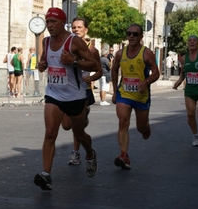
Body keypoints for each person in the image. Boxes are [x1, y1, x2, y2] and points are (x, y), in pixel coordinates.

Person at [34, 8, 98, 190]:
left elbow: (93, 64)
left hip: (75, 96)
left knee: (79, 134)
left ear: (63, 23)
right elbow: (43, 64)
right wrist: (41, 65)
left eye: (53, 22)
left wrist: (74, 62)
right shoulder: (46, 42)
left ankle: (90, 154)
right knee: (50, 133)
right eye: (47, 22)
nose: (49, 25)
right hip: (54, 93)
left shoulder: (74, 41)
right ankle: (46, 175)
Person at [111, 24, 160, 169]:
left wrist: (146, 82)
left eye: (134, 34)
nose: (131, 36)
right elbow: (114, 70)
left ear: (140, 37)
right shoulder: (120, 54)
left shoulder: (147, 53)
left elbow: (156, 73)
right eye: (129, 33)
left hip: (141, 95)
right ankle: (124, 155)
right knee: (123, 122)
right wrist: (114, 91)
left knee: (141, 128)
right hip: (124, 93)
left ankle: (146, 127)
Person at [62, 17, 102, 166]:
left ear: (86, 30)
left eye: (79, 27)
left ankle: (76, 152)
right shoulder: (66, 47)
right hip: (67, 89)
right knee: (66, 125)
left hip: (83, 91)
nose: (76, 30)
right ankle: (83, 120)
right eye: (74, 27)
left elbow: (99, 71)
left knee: (76, 125)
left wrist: (90, 78)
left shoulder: (92, 50)